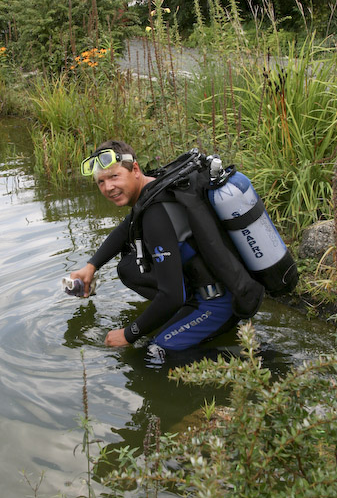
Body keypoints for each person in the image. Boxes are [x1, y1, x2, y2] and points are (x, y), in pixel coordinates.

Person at [70, 140, 251, 361]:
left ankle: (258, 358)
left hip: (218, 303)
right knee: (128, 268)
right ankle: (182, 316)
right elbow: (125, 229)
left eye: (114, 176)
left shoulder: (156, 214)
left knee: (155, 353)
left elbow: (171, 296)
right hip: (211, 282)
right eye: (101, 182)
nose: (108, 187)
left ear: (135, 169)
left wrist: (128, 334)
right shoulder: (156, 188)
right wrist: (91, 266)